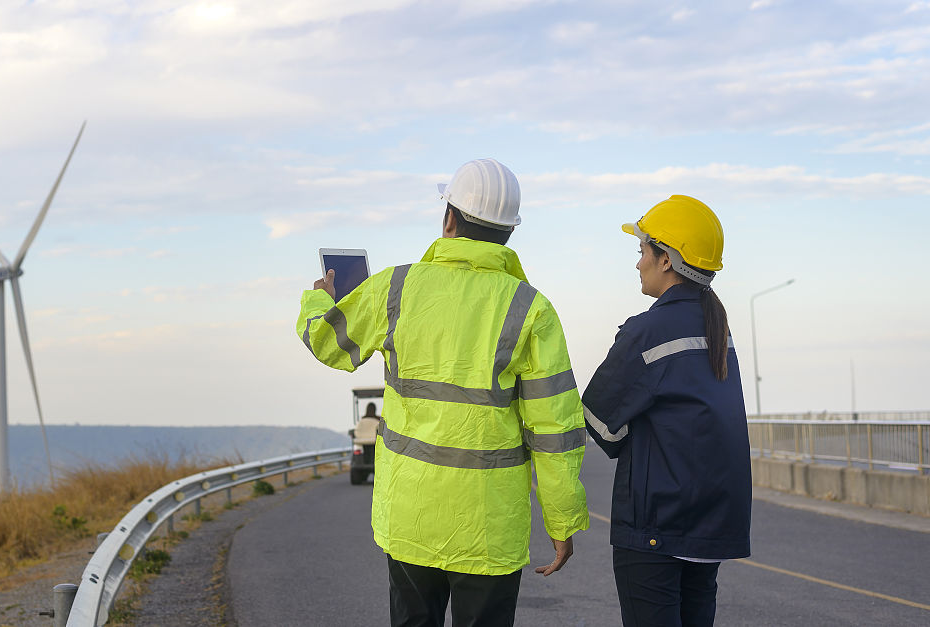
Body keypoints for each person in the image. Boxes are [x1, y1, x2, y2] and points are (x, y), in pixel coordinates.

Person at [296, 159, 589, 627]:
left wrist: (319, 299)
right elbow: (555, 431)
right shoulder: (530, 308)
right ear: (509, 232)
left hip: (411, 519)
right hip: (490, 530)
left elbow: (327, 343)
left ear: (449, 218)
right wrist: (562, 521)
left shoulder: (397, 287)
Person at [582, 195, 752, 627]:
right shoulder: (718, 330)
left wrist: (636, 434)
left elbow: (598, 419)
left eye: (642, 251)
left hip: (656, 527)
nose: (638, 262)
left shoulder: (649, 330)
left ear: (666, 260)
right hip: (708, 528)